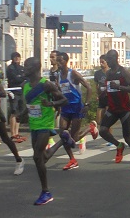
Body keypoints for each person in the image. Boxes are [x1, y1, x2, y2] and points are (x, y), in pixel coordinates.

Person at [22, 56, 70, 206]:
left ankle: (46, 192)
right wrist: (19, 115)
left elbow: (64, 100)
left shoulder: (46, 85)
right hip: (34, 124)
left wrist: (51, 103)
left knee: (37, 157)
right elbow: (28, 105)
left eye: (27, 66)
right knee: (43, 157)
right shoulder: (26, 86)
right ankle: (63, 139)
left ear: (36, 68)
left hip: (45, 124)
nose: (24, 69)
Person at [99, 50, 130, 173]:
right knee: (102, 131)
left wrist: (119, 87)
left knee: (127, 137)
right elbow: (109, 88)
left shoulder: (123, 72)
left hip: (124, 109)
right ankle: (119, 145)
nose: (107, 61)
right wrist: (104, 93)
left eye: (109, 59)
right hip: (113, 108)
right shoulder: (108, 73)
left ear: (115, 58)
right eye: (107, 59)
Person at [55, 52, 93, 170]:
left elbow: (89, 87)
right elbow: (59, 93)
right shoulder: (58, 76)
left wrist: (86, 104)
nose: (58, 63)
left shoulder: (73, 74)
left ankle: (90, 128)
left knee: (73, 138)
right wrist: (58, 106)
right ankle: (72, 159)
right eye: (57, 61)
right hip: (66, 108)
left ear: (66, 61)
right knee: (63, 134)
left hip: (77, 107)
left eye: (60, 61)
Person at [6, 52, 27, 143]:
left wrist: (22, 77)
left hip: (20, 91)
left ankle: (17, 132)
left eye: (18, 57)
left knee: (20, 111)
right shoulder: (10, 68)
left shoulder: (22, 68)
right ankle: (12, 134)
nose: (17, 58)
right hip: (13, 91)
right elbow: (16, 79)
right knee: (14, 111)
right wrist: (22, 78)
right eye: (15, 57)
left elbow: (26, 77)